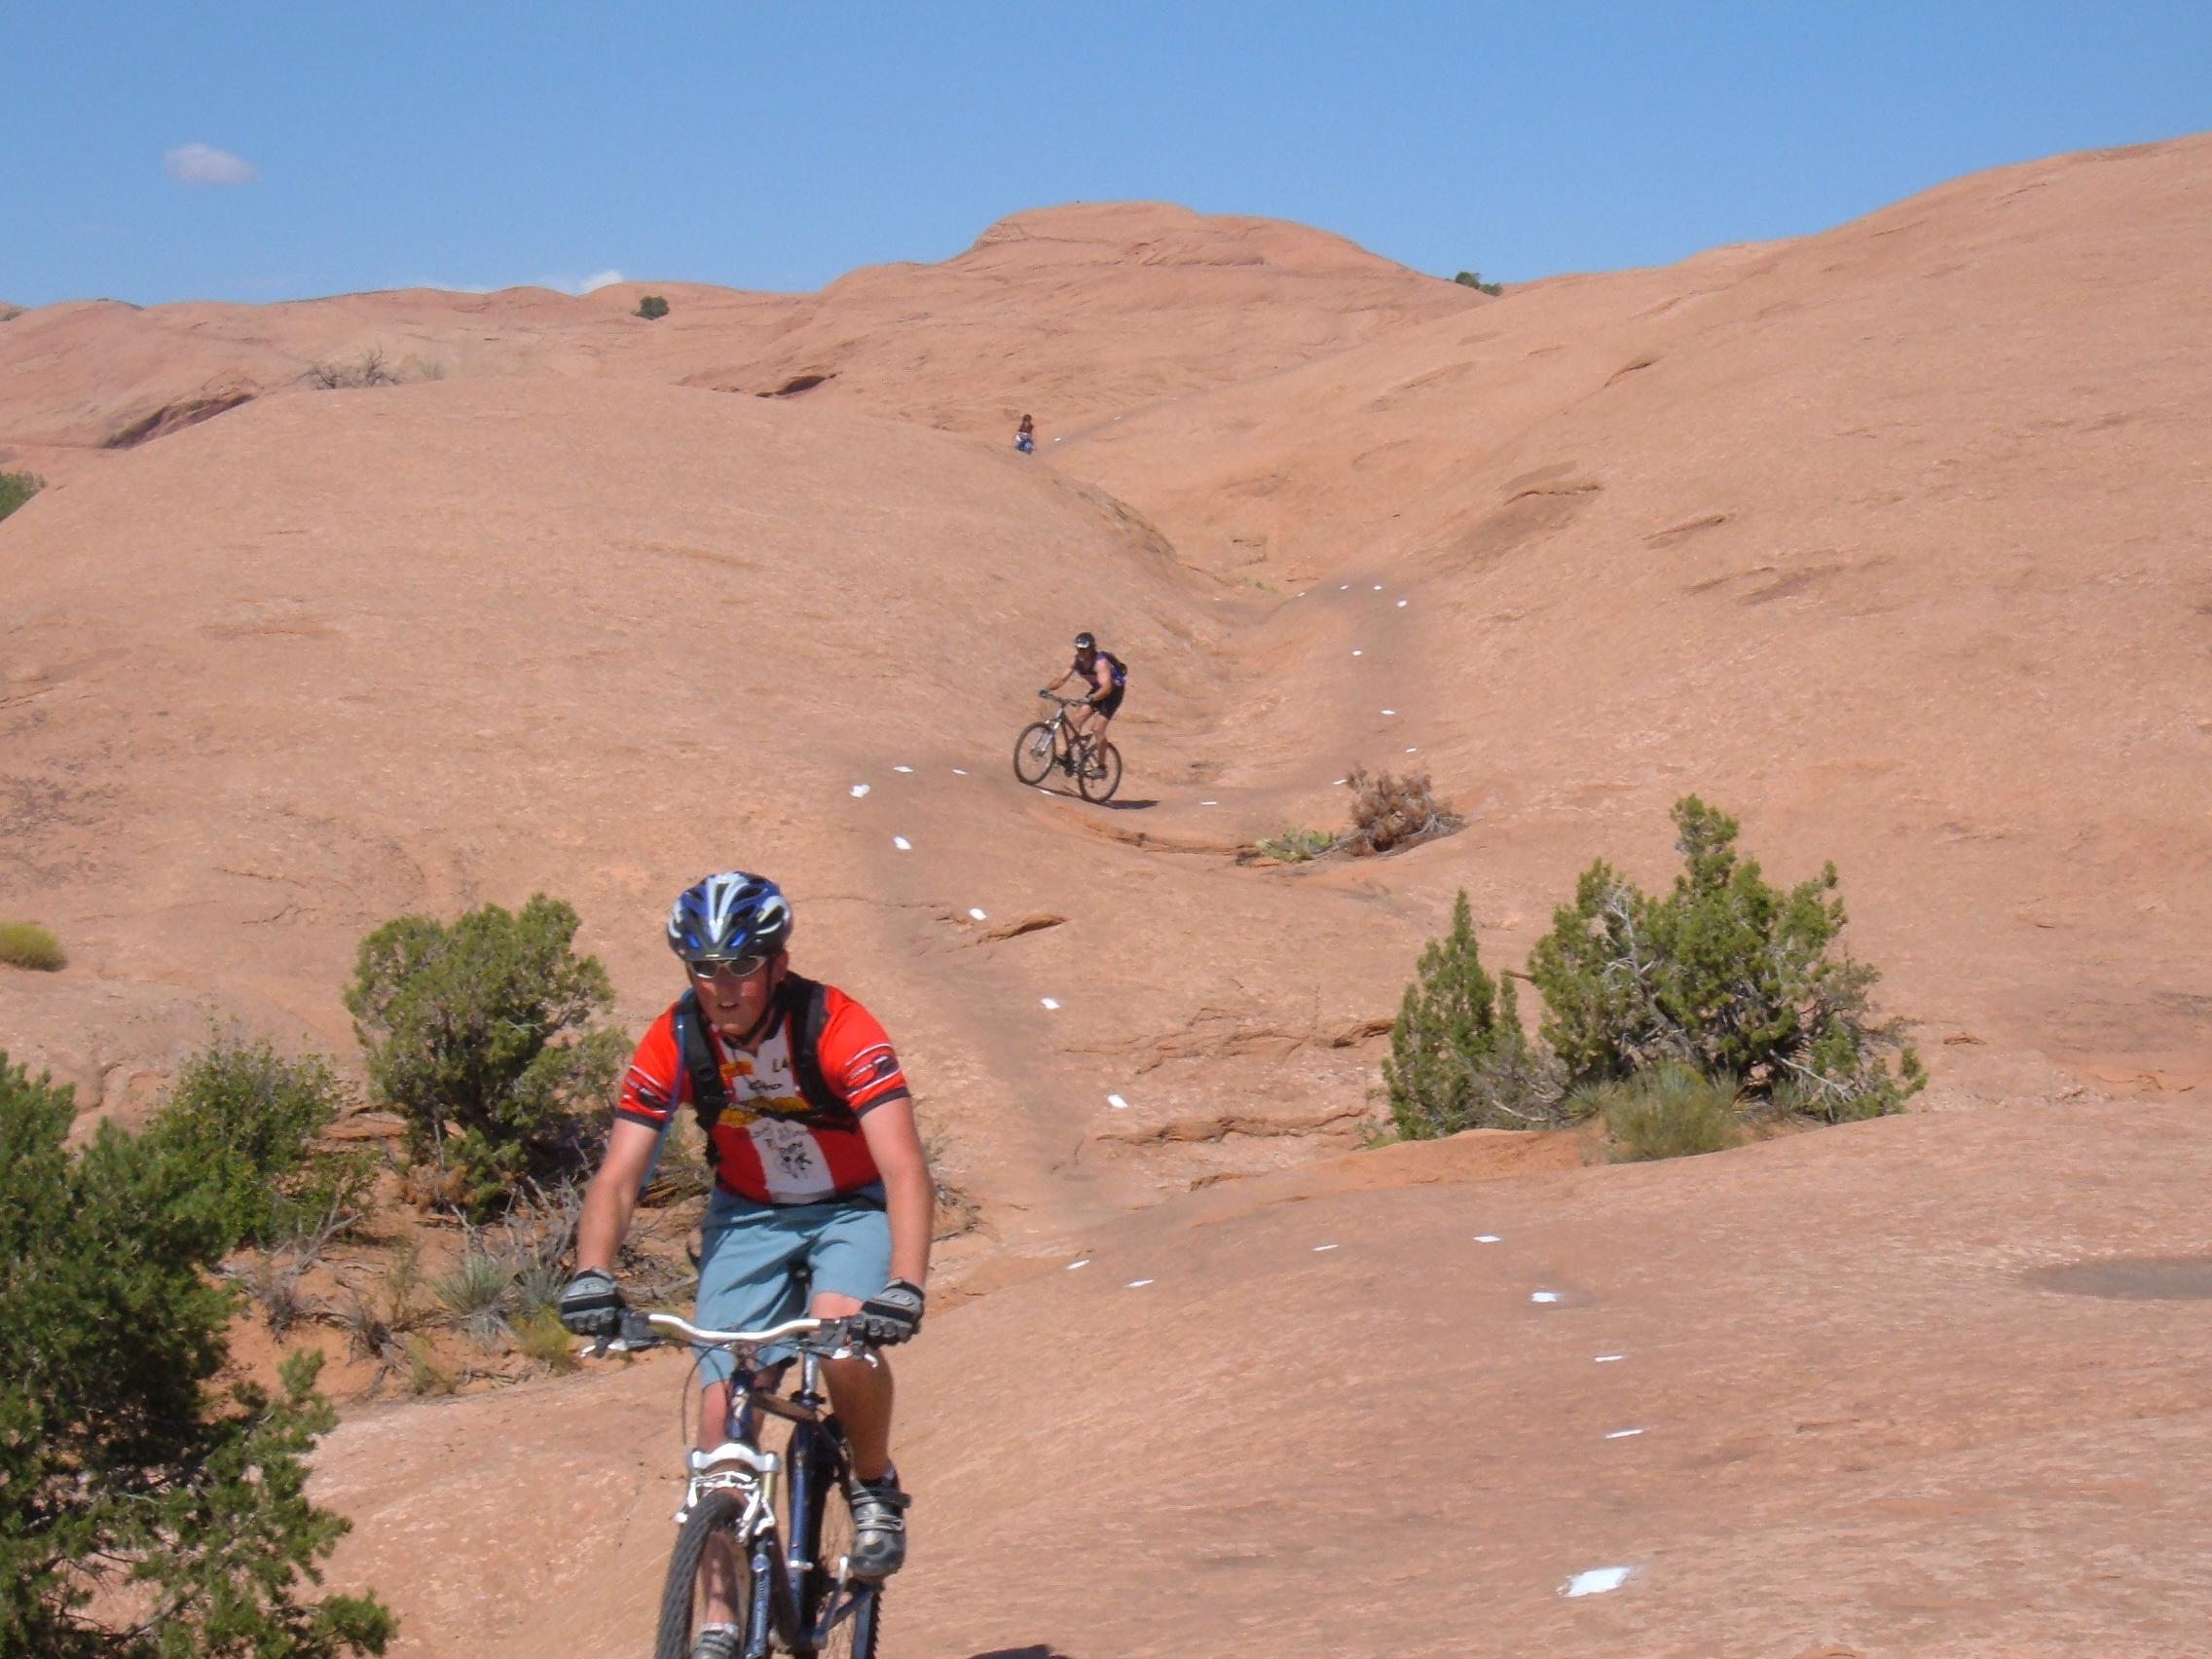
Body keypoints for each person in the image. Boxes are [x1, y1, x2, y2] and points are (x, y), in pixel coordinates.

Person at [558, 872, 934, 1641]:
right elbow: (620, 1174)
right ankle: (719, 1627)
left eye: (739, 967)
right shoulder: (675, 1037)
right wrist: (591, 1272)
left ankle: (870, 1482)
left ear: (778, 963)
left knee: (841, 1335)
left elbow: (903, 1168)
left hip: (849, 1208)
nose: (722, 987)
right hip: (750, 1214)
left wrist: (905, 1284)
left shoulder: (840, 1028)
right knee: (716, 1418)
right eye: (704, 968)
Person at [1039, 630, 1125, 768]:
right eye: (1079, 649)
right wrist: (1047, 689)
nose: (1081, 652)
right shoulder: (1077, 660)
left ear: (1092, 649)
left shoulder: (1100, 663)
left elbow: (1106, 688)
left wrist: (1091, 698)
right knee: (1076, 720)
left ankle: (1101, 767)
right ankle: (1068, 756)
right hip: (1098, 690)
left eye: (1084, 650)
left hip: (1113, 693)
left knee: (1097, 729)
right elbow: (1062, 679)